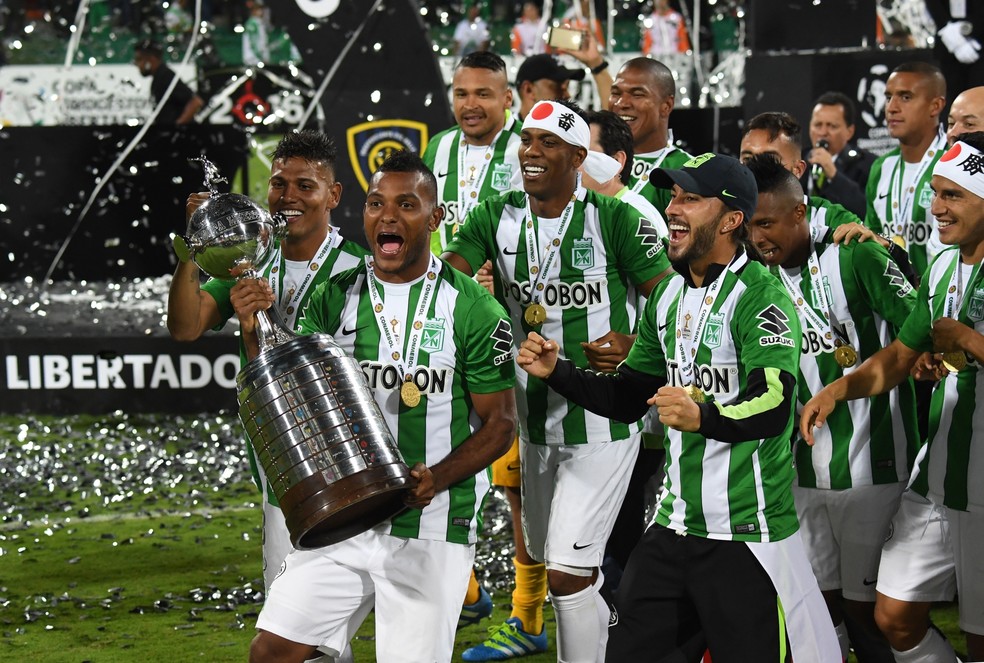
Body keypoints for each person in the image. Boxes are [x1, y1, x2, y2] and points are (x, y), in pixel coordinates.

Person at [516, 151, 840, 662]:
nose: (673, 208)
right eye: (673, 196)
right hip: (672, 528)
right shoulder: (667, 296)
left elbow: (774, 403)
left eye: (691, 199)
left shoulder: (761, 298)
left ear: (732, 219)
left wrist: (702, 417)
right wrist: (559, 372)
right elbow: (627, 398)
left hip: (746, 537)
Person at [247, 151, 517, 663]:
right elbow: (294, 393)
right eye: (376, 204)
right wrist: (252, 331)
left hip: (430, 525)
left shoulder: (474, 308)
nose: (388, 217)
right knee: (273, 651)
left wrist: (436, 477)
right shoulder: (334, 297)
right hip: (346, 516)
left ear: (434, 219)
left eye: (407, 204)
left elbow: (500, 425)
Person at [444, 99, 671, 663]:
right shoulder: (492, 216)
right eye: (527, 140)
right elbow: (442, 279)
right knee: (568, 568)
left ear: (576, 158)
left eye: (548, 143)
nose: (531, 152)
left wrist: (636, 342)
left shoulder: (616, 220)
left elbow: (670, 299)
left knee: (567, 574)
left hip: (602, 423)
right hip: (531, 422)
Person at [801, 133, 984, 663]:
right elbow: (902, 355)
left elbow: (954, 345)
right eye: (936, 193)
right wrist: (840, 387)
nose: (937, 209)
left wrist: (970, 341)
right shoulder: (945, 267)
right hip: (938, 474)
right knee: (893, 614)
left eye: (954, 196)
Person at [167, 131, 367, 597]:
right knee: (301, 624)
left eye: (305, 186)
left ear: (333, 195)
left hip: (350, 460)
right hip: (282, 466)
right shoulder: (248, 260)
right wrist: (194, 248)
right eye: (279, 184)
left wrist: (254, 329)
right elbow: (185, 326)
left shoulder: (360, 269)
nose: (289, 197)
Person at [746, 153, 918, 663]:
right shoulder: (751, 276)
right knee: (820, 607)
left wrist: (839, 389)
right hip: (797, 470)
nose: (758, 238)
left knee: (869, 613)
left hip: (873, 462)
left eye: (768, 224)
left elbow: (916, 336)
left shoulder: (855, 254)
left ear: (800, 213)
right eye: (750, 226)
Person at [423, 51, 521, 255]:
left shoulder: (528, 147)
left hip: (504, 284)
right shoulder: (438, 145)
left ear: (507, 98)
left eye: (483, 94)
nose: (470, 105)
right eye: (461, 94)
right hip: (446, 281)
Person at [864, 61, 947, 281]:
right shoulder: (881, 168)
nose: (891, 107)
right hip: (894, 306)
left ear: (935, 106)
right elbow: (872, 239)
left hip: (943, 304)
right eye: (889, 96)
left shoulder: (952, 164)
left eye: (906, 97)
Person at [607, 56, 693, 215]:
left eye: (637, 94)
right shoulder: (594, 162)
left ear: (666, 106)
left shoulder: (686, 171)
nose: (621, 103)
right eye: (615, 93)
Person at [806, 91, 878, 218]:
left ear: (849, 132)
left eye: (832, 126)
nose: (823, 132)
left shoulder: (869, 165)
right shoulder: (798, 161)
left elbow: (867, 213)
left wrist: (834, 175)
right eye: (818, 125)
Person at [133, 39, 203, 125]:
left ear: (151, 59)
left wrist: (176, 128)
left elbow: (195, 102)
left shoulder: (165, 76)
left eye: (139, 59)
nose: (136, 64)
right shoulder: (158, 77)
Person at [926, 0, 984, 100]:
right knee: (951, 100)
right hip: (947, 47)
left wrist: (970, 29)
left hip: (979, 43)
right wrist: (949, 32)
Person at [514, 54, 586, 121]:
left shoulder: (569, 132)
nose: (568, 95)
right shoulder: (505, 132)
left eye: (567, 87)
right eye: (558, 87)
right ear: (528, 90)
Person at [640, 0, 690, 87]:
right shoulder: (651, 20)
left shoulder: (676, 18)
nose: (659, 2)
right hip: (657, 58)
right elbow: (646, 44)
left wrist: (684, 58)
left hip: (675, 58)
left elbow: (683, 41)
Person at [242, 0, 270, 66]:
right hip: (253, 59)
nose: (261, 11)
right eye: (258, 9)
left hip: (260, 58)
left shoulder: (259, 22)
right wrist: (260, 56)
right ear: (253, 10)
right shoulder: (252, 23)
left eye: (261, 9)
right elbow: (253, 42)